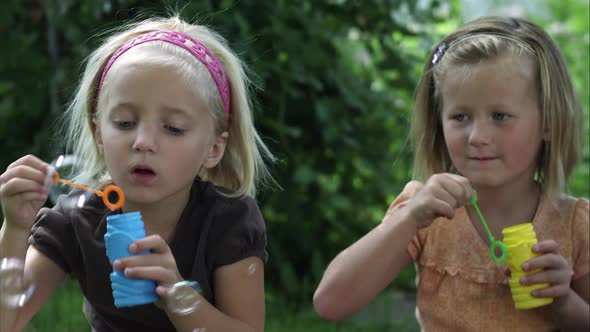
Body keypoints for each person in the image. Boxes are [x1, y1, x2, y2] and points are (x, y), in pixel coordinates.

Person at [0, 15, 274, 332]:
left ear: (214, 148)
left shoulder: (227, 221)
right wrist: (16, 228)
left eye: (173, 128)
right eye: (125, 123)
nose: (143, 142)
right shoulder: (76, 220)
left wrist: (177, 296)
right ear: (98, 132)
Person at [313, 16, 589, 331]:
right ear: (438, 122)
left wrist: (564, 303)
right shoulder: (426, 214)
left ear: (549, 122)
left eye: (500, 116)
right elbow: (330, 302)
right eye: (460, 116)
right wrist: (408, 219)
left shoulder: (574, 226)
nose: (477, 136)